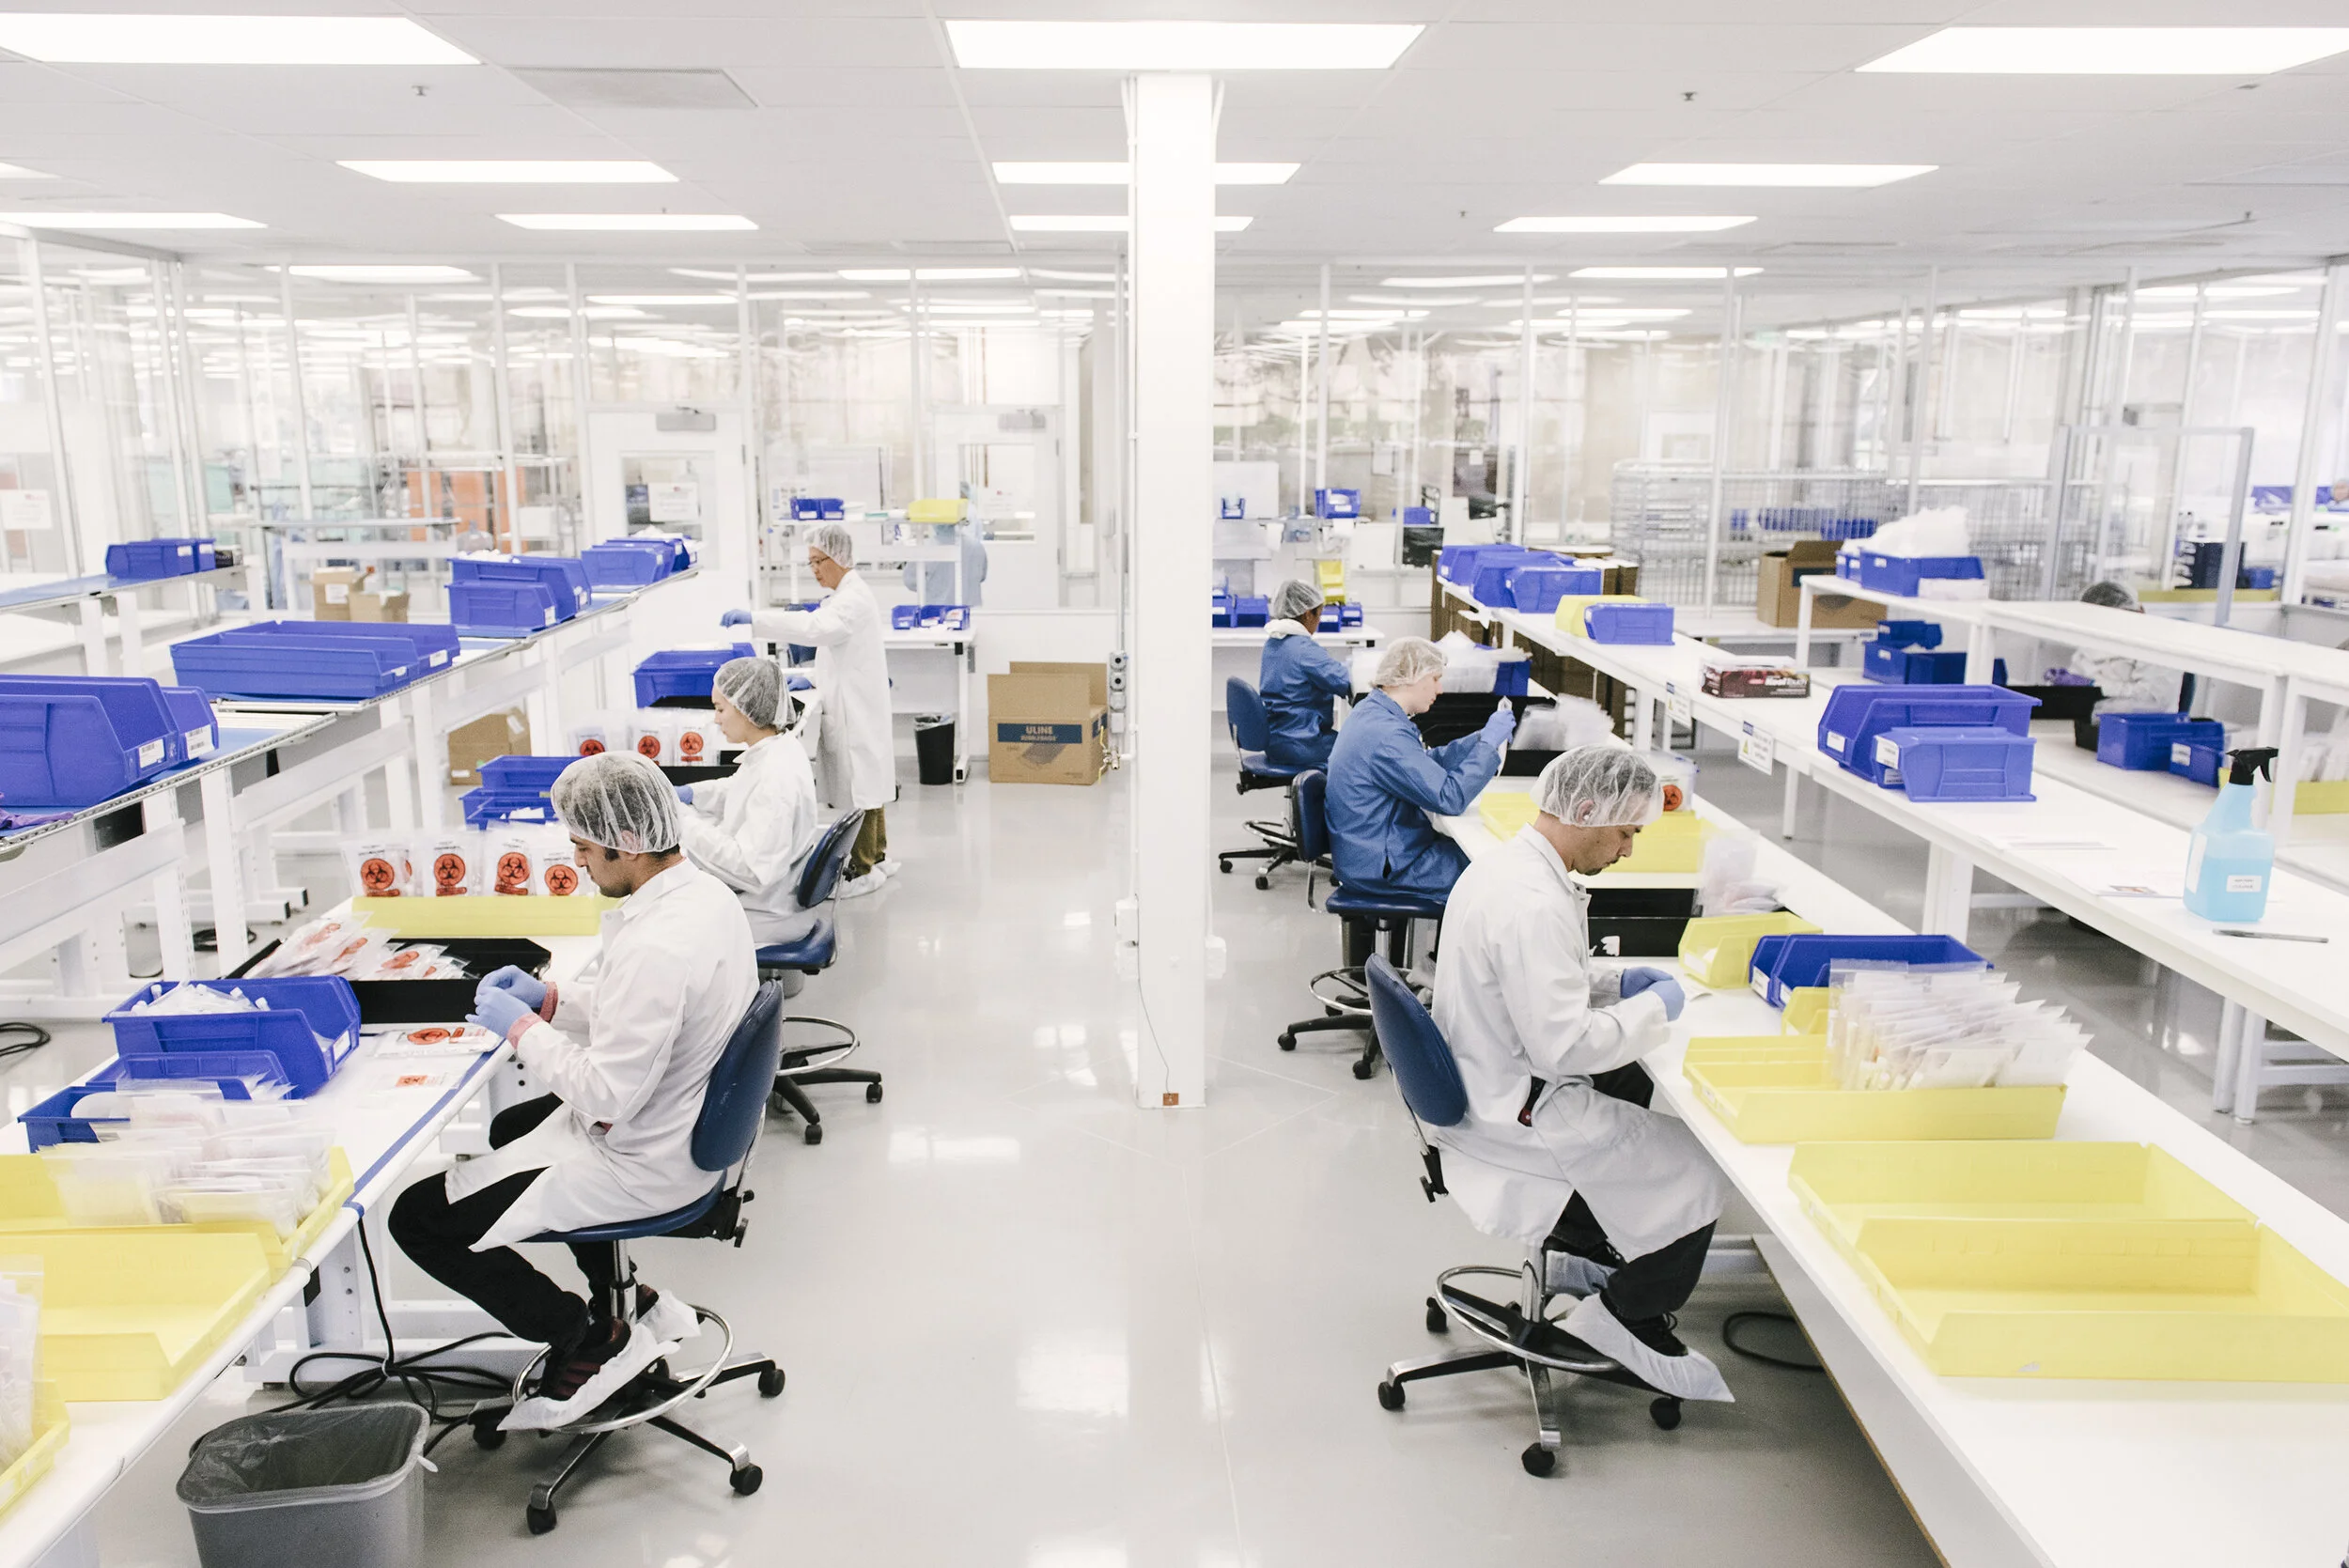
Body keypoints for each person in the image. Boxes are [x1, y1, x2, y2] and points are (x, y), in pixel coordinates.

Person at [389, 753, 757, 1432]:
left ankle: (586, 1335)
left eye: (585, 848)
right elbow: (642, 1012)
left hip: (642, 1159)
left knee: (415, 1217)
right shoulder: (702, 897)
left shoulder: (658, 944)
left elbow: (606, 1093)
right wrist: (555, 999)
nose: (580, 862)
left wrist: (524, 1029)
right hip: (688, 1121)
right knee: (512, 1127)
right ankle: (625, 1297)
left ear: (626, 845)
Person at [1431, 746, 1731, 1404]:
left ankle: (1590, 1243)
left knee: (1629, 1080)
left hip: (1485, 1074)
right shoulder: (1533, 902)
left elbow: (1539, 977)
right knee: (1702, 1171)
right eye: (1626, 832)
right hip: (1515, 1106)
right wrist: (1655, 1006)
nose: (1627, 851)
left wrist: (1617, 981)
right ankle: (1625, 1313)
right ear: (1586, 810)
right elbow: (1564, 1044)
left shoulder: (1508, 868)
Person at [722, 522, 894, 896]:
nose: (815, 569)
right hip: (855, 702)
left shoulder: (851, 600)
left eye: (819, 561)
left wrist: (755, 618)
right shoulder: (847, 597)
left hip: (856, 710)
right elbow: (839, 649)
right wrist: (813, 677)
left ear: (839, 559)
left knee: (860, 788)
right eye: (811, 563)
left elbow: (815, 629)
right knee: (869, 782)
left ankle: (861, 870)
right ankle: (877, 856)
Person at [1325, 635, 1512, 899]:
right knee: (1497, 873)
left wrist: (1478, 741)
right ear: (1412, 676)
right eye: (1435, 679)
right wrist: (1488, 748)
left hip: (1371, 852)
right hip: (1386, 866)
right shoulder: (1386, 734)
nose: (1440, 690)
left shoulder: (1374, 712)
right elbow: (1449, 798)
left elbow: (1422, 764)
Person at [675, 656, 822, 941]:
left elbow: (751, 871)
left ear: (746, 708)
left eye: (720, 709)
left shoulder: (776, 776)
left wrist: (684, 821)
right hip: (773, 894)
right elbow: (738, 789)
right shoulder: (778, 748)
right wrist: (693, 794)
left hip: (765, 913)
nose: (715, 718)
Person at [1258, 577, 1353, 770]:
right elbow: (1345, 682)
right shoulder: (1304, 649)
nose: (1318, 622)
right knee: (1361, 749)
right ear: (1308, 614)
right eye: (1319, 615)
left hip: (1276, 742)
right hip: (1303, 744)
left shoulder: (1273, 643)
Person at [2070, 580, 2183, 715]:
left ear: (2140, 611)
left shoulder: (2162, 648)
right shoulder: (2096, 641)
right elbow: (2077, 677)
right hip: (2090, 724)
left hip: (2141, 730)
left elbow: (2151, 703)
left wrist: (2095, 688)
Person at [902, 520, 988, 609]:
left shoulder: (926, 548)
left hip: (937, 613)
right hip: (972, 611)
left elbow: (910, 582)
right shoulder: (976, 546)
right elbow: (982, 576)